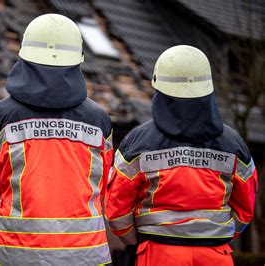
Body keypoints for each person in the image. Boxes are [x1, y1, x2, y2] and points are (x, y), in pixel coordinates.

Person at [0, 13, 114, 265]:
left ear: (24, 55)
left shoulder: (1, 116)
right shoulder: (99, 120)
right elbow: (104, 181)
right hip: (87, 255)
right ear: (78, 60)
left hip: (18, 254)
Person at [106, 45, 257, 266]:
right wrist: (217, 234)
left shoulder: (137, 142)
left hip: (158, 254)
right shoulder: (234, 145)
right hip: (216, 255)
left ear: (159, 88)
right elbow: (245, 208)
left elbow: (117, 211)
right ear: (207, 87)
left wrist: (134, 240)